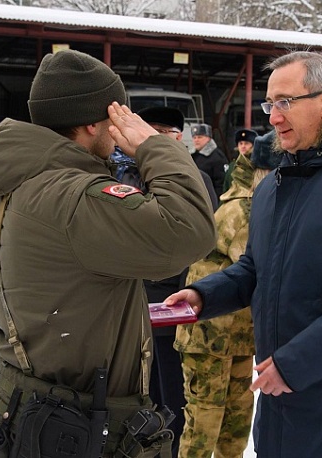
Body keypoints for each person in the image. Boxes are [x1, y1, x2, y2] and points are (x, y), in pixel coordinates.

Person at [165, 50, 322, 458]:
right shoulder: (274, 187)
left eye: (285, 102)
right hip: (280, 404)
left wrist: (294, 364)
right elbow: (255, 268)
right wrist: (204, 295)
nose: (273, 117)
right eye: (270, 103)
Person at [0, 49, 215, 455]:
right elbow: (188, 230)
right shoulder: (74, 197)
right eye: (115, 115)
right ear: (91, 122)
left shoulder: (24, 181)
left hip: (36, 407)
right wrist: (157, 147)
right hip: (74, 425)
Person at [111, 105, 218, 457]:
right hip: (130, 304)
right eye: (148, 130)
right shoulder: (122, 174)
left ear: (176, 138)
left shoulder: (191, 178)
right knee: (137, 394)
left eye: (161, 132)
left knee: (172, 394)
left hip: (172, 304)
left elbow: (203, 243)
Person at [174, 129, 279, 458]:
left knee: (236, 422)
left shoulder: (260, 202)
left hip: (238, 336)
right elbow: (258, 265)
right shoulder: (245, 208)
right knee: (203, 424)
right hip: (209, 337)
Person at [191, 123, 228, 198]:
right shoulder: (191, 156)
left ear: (208, 138)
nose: (196, 140)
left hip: (210, 199)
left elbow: (221, 185)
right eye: (194, 137)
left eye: (200, 137)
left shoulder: (217, 157)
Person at [222, 128, 257, 194]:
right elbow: (226, 188)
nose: (243, 146)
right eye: (241, 143)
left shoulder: (256, 165)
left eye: (246, 143)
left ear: (253, 146)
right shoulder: (232, 165)